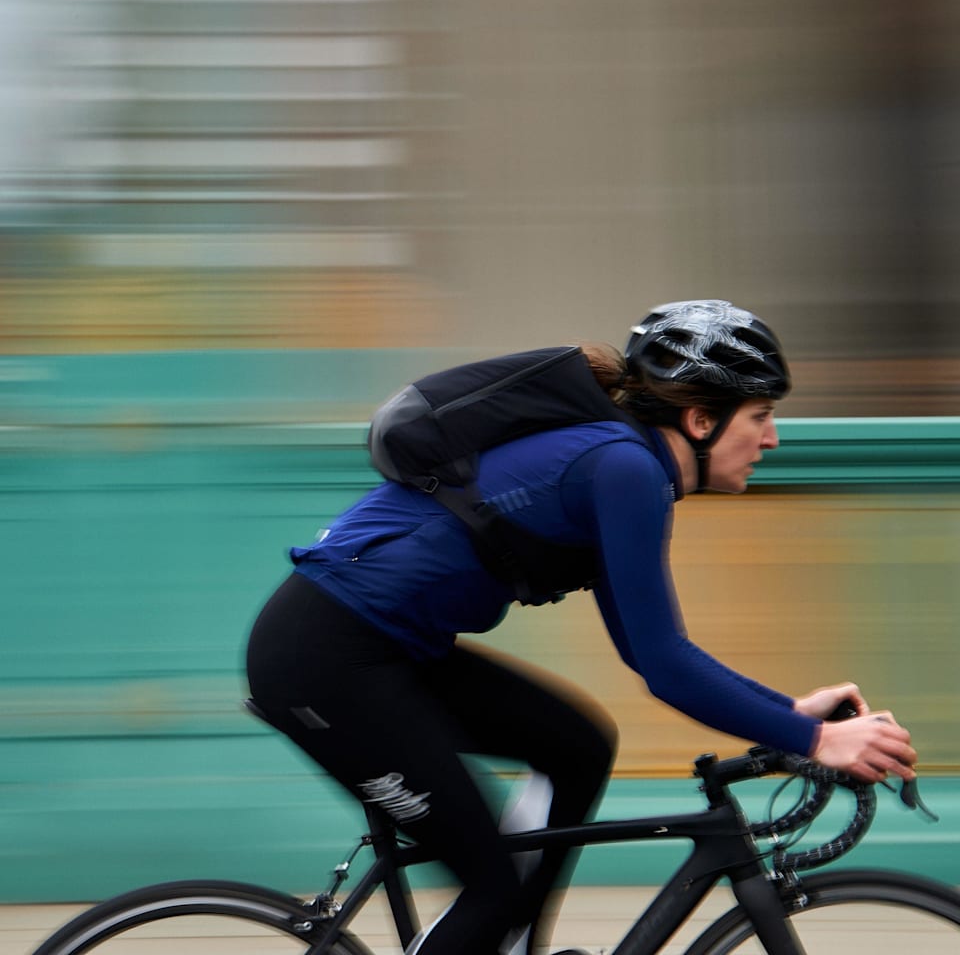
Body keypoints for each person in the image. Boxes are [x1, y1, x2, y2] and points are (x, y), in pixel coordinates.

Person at [245, 299, 917, 955]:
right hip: (325, 662)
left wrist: (790, 715)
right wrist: (816, 737)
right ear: (702, 418)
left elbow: (650, 651)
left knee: (576, 745)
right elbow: (664, 663)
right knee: (491, 889)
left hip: (383, 651)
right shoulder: (622, 468)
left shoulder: (622, 467)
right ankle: (496, 924)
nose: (771, 437)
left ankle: (507, 943)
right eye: (762, 415)